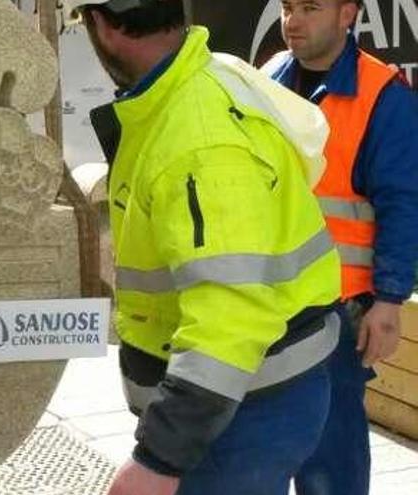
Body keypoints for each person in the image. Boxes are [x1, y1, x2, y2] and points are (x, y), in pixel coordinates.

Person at [62, 0, 344, 493]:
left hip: (243, 409)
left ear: (101, 25)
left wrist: (158, 459)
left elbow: (229, 315)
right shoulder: (198, 81)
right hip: (251, 397)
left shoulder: (197, 139)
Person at [261, 1, 418, 494]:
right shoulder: (266, 79)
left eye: (310, 7)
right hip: (264, 308)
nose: (293, 20)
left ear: (347, 14)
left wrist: (389, 301)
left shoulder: (381, 94)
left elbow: (403, 201)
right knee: (259, 455)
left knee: (329, 464)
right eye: (288, 7)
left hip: (337, 313)